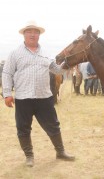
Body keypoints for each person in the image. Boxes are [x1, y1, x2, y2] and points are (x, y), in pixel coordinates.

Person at [1, 20, 75, 167]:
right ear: (24, 34)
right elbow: (7, 73)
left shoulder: (46, 54)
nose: (33, 34)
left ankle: (60, 152)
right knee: (23, 128)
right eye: (29, 31)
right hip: (23, 98)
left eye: (36, 32)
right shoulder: (15, 53)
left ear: (39, 35)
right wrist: (7, 93)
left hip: (44, 97)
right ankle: (29, 156)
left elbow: (56, 70)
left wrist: (68, 63)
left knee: (53, 125)